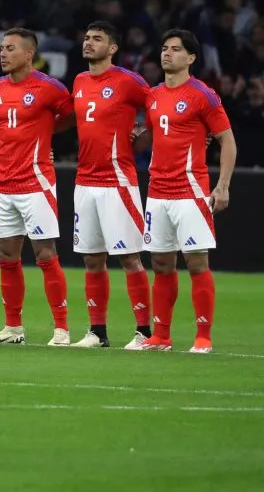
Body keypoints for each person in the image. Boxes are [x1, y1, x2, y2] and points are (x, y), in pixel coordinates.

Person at [140, 29, 237, 354]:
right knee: (162, 265)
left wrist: (222, 185)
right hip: (157, 191)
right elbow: (152, 136)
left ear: (191, 58)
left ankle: (203, 338)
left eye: (176, 49)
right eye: (165, 48)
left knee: (196, 263)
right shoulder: (152, 96)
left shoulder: (203, 94)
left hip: (190, 191)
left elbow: (227, 141)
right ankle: (161, 336)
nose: (167, 53)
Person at [0, 28, 74, 346]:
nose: (3, 54)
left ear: (29, 53)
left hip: (37, 183)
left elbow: (72, 116)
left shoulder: (50, 88)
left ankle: (61, 329)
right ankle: (13, 328)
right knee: (6, 254)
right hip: (2, 183)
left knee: (45, 253)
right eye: (2, 48)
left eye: (10, 48)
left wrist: (47, 135)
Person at [69, 21, 153, 349]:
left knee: (130, 258)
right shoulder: (78, 80)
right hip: (84, 181)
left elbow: (158, 104)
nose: (89, 43)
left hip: (117, 180)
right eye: (87, 38)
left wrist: (144, 128)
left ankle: (145, 332)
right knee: (92, 259)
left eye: (97, 39)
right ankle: (97, 332)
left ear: (113, 48)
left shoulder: (128, 81)